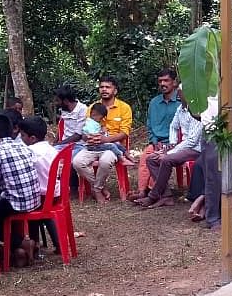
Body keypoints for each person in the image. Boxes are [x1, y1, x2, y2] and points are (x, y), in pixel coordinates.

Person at [190, 96, 232, 228]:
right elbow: (211, 127)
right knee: (201, 163)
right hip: (221, 146)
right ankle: (207, 205)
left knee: (217, 166)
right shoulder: (220, 109)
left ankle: (204, 204)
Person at [0, 113, 41, 266]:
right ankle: (17, 248)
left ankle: (19, 244)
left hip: (15, 204)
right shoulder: (23, 146)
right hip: (34, 200)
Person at [73, 76, 133, 202]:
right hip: (91, 145)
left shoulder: (124, 108)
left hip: (112, 146)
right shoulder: (92, 108)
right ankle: (99, 187)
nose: (104, 89)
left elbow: (124, 133)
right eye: (102, 87)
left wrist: (105, 140)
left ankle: (96, 189)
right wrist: (88, 137)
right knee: (77, 162)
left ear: (115, 91)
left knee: (106, 161)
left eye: (108, 87)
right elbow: (84, 131)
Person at [137, 94, 203, 208]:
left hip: (196, 149)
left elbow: (192, 141)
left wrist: (169, 152)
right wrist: (172, 144)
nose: (179, 95)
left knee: (166, 159)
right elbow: (173, 126)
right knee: (151, 159)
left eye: (182, 93)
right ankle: (166, 196)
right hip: (183, 146)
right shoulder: (181, 109)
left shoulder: (197, 110)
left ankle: (153, 196)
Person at [134, 68, 183, 199]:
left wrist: (171, 144)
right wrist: (155, 141)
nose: (163, 84)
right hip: (157, 142)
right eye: (160, 81)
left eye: (166, 80)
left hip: (176, 144)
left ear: (174, 82)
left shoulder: (182, 102)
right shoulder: (154, 102)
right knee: (146, 156)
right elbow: (150, 126)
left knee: (156, 159)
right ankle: (142, 191)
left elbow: (184, 129)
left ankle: (153, 191)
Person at [18, 116, 61, 253]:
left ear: (32, 138)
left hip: (42, 198)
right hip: (56, 193)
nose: (20, 138)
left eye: (22, 135)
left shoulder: (30, 153)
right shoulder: (51, 149)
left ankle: (33, 244)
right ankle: (38, 243)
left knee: (29, 206)